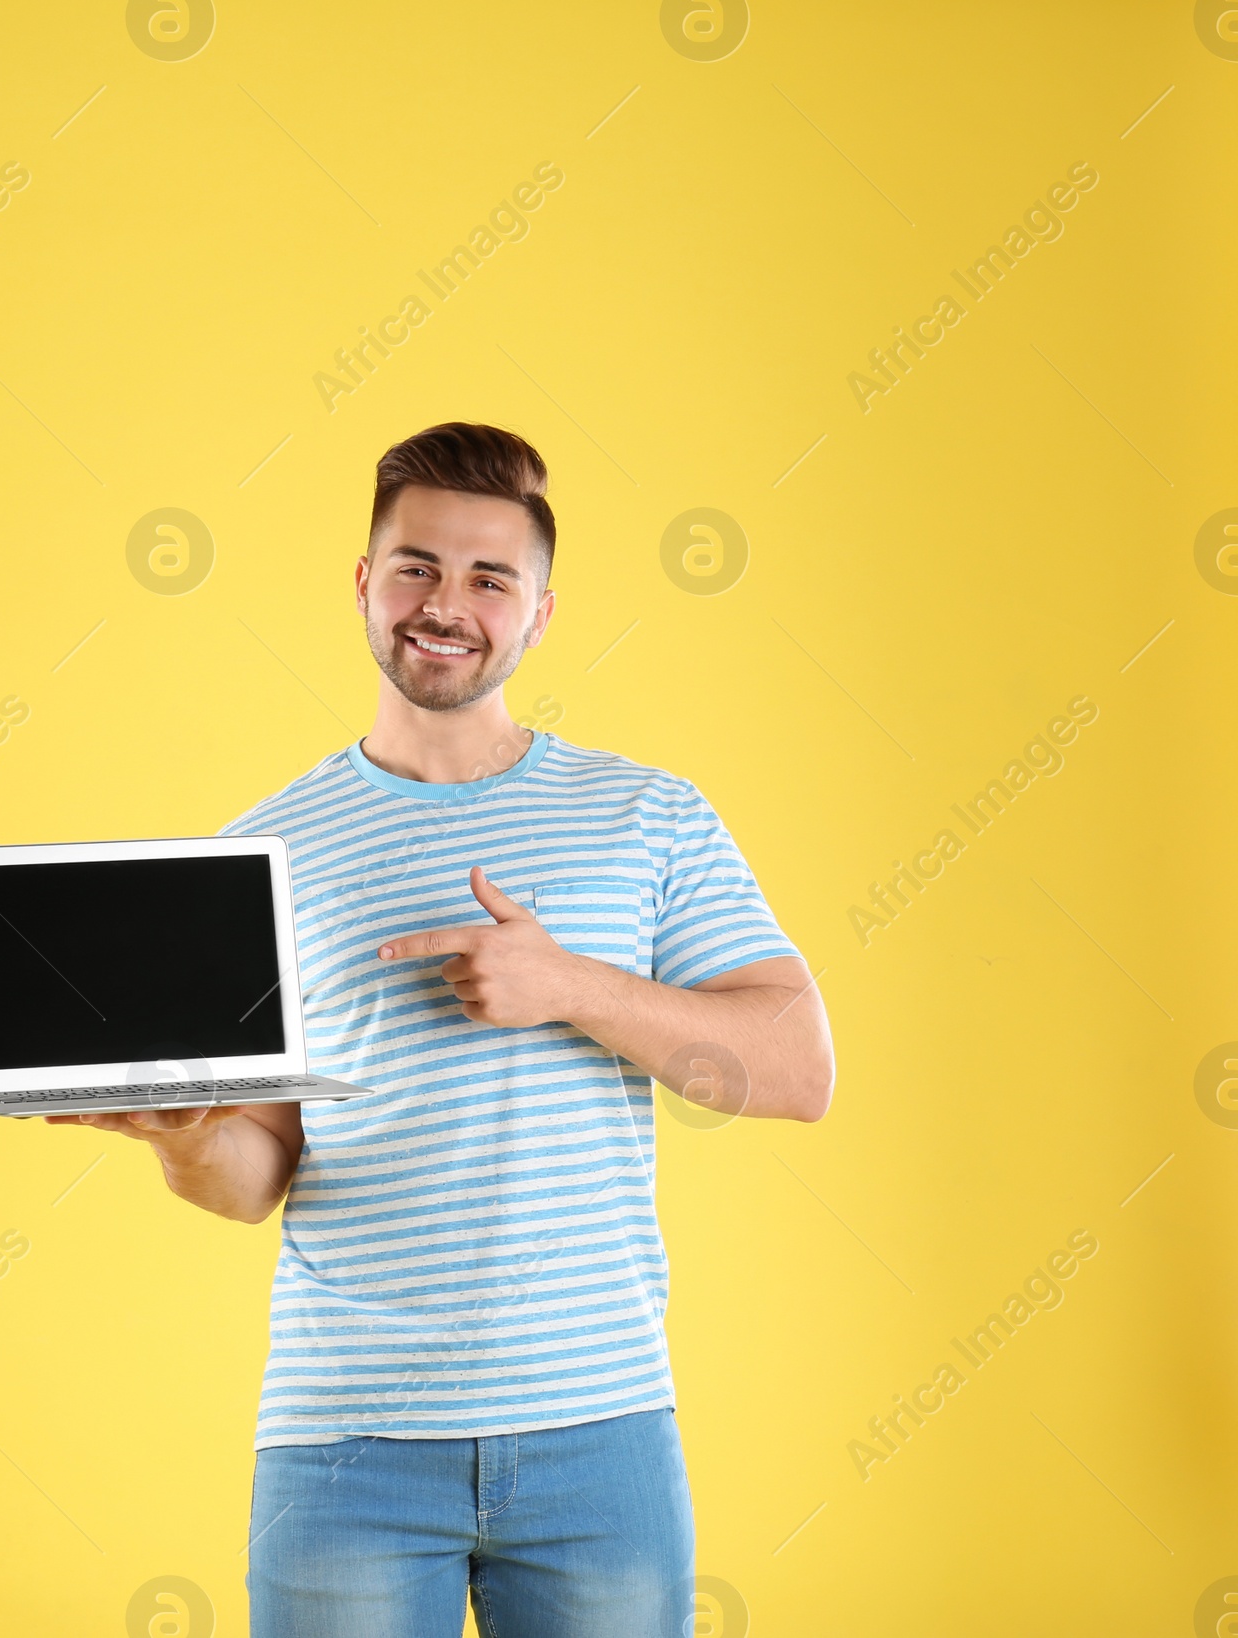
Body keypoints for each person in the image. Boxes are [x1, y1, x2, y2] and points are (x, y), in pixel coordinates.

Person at [47, 422, 835, 1637]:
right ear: (364, 583)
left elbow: (795, 1070)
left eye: (488, 578)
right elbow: (253, 1179)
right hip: (344, 1443)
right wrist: (184, 1134)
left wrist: (568, 984)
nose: (445, 604)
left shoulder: (646, 814)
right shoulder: (259, 856)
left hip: (601, 1428)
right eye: (414, 566)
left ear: (539, 612)